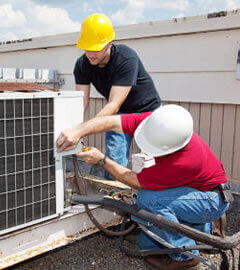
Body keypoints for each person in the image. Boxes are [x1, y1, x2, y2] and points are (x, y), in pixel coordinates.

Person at [57, 104, 232, 270]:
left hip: (210, 199)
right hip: (199, 189)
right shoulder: (158, 124)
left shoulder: (183, 162)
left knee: (149, 200)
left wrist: (102, 160)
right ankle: (208, 229)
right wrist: (78, 130)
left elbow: (134, 181)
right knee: (146, 243)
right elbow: (111, 121)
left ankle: (186, 256)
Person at [73, 13, 161, 179]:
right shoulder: (82, 65)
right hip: (120, 115)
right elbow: (81, 102)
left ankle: (149, 199)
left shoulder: (126, 58)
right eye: (87, 48)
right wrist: (73, 128)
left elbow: (114, 104)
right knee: (113, 160)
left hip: (149, 112)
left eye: (97, 48)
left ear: (109, 44)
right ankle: (114, 199)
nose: (91, 53)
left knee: (152, 162)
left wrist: (82, 130)